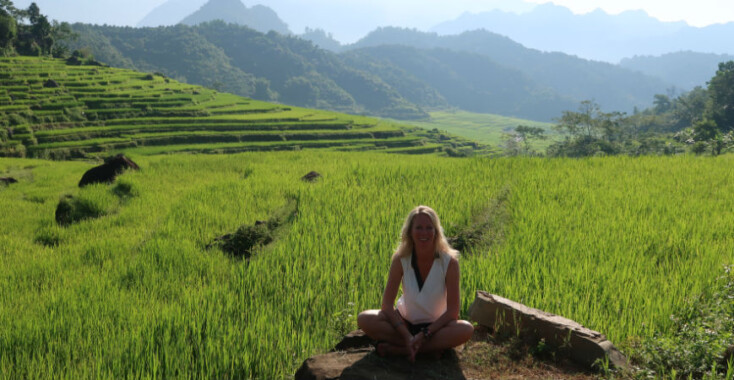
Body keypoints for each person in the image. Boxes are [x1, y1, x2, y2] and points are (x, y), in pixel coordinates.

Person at [357, 205, 474, 362]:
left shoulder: (450, 262)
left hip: (436, 328)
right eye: (418, 228)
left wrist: (425, 334)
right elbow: (386, 305)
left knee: (466, 329)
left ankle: (400, 350)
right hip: (403, 324)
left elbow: (453, 312)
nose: (424, 233)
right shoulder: (400, 259)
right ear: (410, 232)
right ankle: (423, 349)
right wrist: (407, 336)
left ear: (436, 232)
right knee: (364, 318)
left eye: (428, 228)